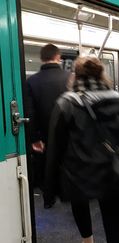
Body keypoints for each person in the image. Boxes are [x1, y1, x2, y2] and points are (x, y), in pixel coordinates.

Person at [44, 57, 119, 243]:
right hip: (112, 174)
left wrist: (49, 191)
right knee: (115, 228)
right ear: (101, 74)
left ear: (75, 75)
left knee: (80, 206)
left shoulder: (66, 102)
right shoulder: (118, 99)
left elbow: (54, 149)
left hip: (78, 175)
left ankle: (88, 240)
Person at [26, 44, 69, 207]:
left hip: (44, 135)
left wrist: (35, 138)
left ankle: (49, 199)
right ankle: (69, 196)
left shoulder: (31, 81)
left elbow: (30, 114)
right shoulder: (69, 78)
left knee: (47, 167)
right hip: (68, 135)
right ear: (58, 57)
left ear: (42, 58)